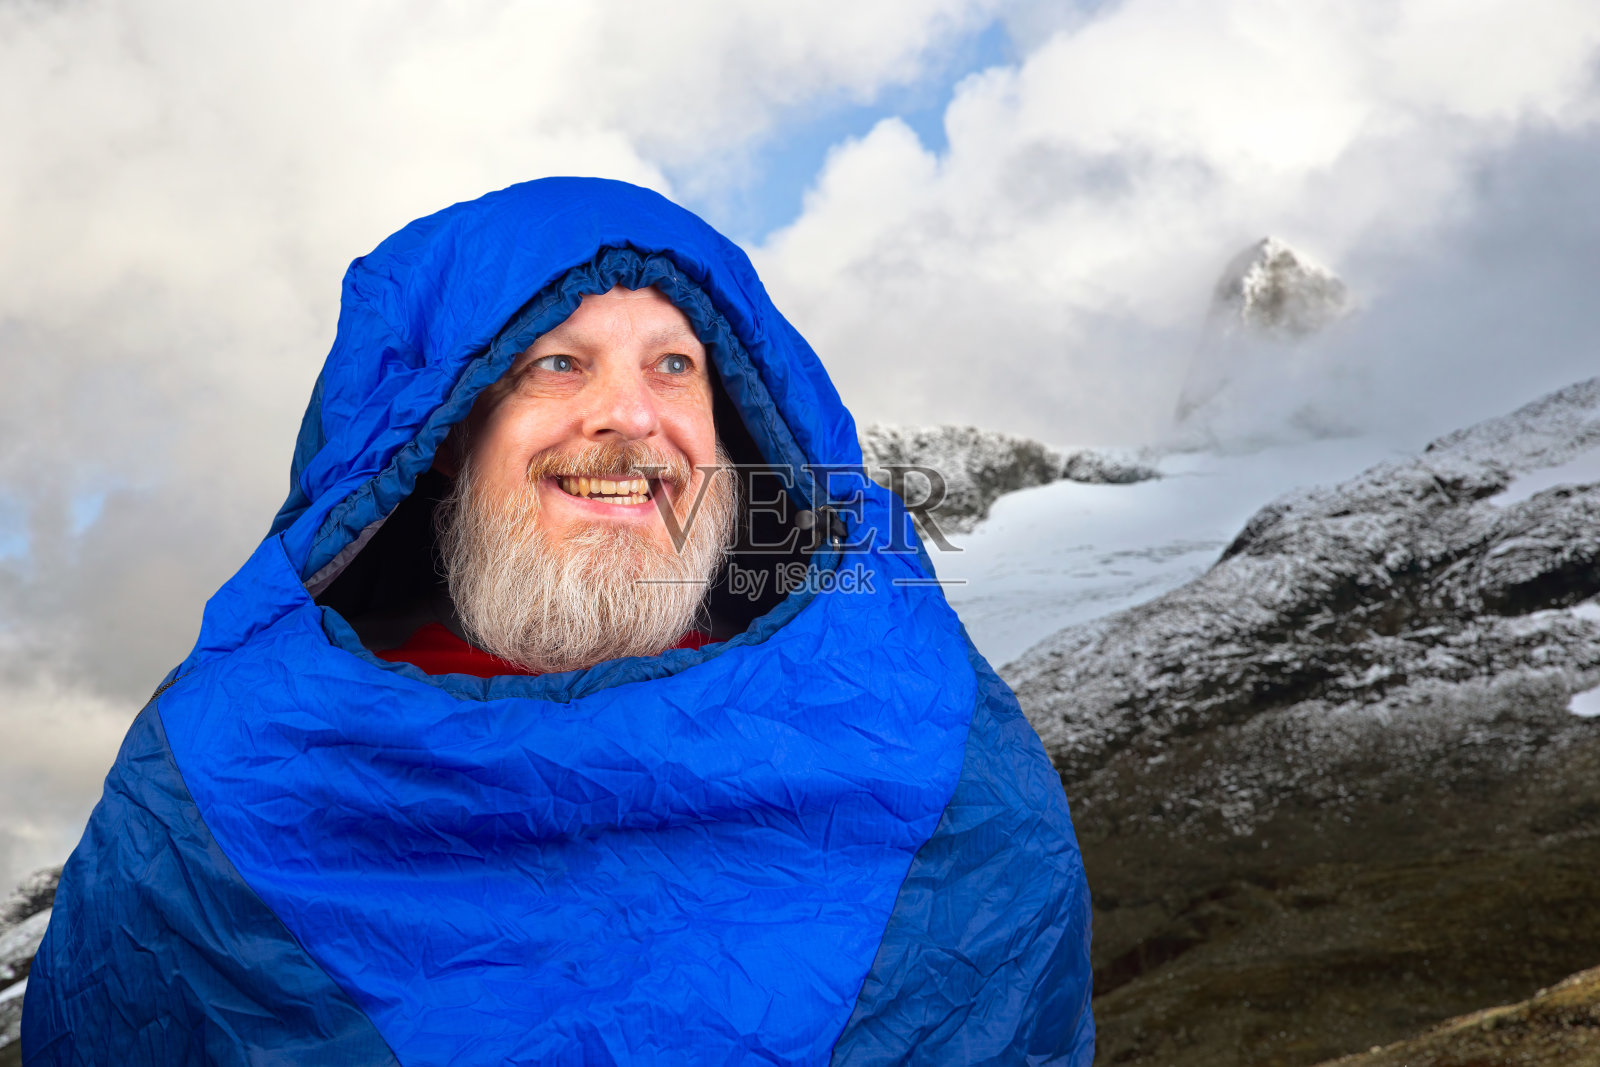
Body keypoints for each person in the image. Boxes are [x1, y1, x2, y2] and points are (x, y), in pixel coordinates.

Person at [23, 178, 1094, 1064]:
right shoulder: (213, 784)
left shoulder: (936, 752)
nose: (630, 415)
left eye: (676, 363)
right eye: (557, 362)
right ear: (444, 429)